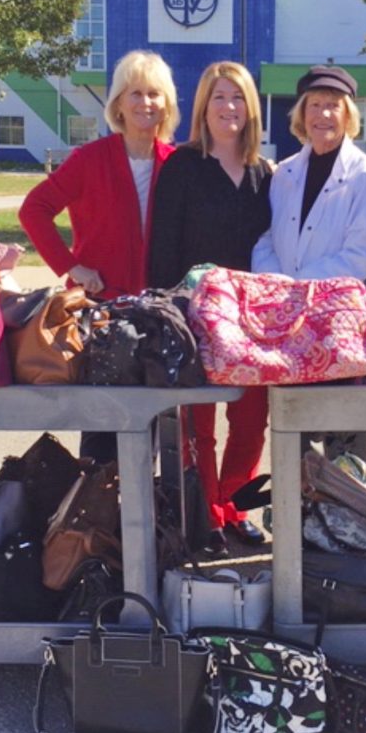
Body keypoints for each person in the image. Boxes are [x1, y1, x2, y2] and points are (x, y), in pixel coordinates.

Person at [19, 49, 179, 463]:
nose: (146, 103)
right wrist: (71, 266)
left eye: (155, 94)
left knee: (154, 427)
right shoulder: (90, 160)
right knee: (102, 428)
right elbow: (33, 210)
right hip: (102, 312)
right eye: (136, 93)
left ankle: (144, 518)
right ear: (119, 105)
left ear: (167, 104)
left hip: (159, 315)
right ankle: (95, 521)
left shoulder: (178, 164)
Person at [149, 62, 272, 555]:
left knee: (251, 417)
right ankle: (202, 513)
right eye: (219, 98)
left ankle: (233, 506)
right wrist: (166, 313)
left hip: (254, 320)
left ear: (251, 108)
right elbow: (163, 249)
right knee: (199, 422)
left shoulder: (265, 174)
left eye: (238, 98)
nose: (228, 108)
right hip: (194, 315)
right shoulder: (183, 166)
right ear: (203, 107)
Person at [252, 64, 366, 466]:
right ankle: (298, 528)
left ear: (348, 114)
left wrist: (297, 288)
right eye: (314, 105)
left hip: (339, 325)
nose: (323, 115)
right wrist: (274, 284)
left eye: (333, 105)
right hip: (288, 325)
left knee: (346, 447)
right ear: (301, 114)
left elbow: (363, 254)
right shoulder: (284, 172)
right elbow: (265, 237)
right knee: (295, 442)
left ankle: (351, 525)